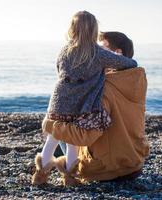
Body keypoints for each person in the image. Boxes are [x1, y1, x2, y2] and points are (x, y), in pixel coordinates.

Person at [31, 11, 138, 186]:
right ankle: (70, 177)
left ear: (72, 29)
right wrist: (116, 58)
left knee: (53, 138)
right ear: (94, 31)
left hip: (59, 99)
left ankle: (40, 176)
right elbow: (130, 63)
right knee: (73, 139)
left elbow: (59, 70)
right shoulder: (97, 53)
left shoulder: (64, 50)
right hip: (80, 105)